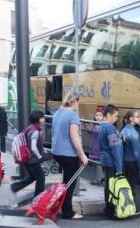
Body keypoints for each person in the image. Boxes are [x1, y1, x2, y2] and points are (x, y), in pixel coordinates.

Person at [51, 91, 88, 219]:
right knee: (70, 184)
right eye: (78, 102)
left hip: (57, 151)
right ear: (75, 101)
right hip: (68, 154)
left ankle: (57, 205)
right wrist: (82, 155)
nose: (78, 104)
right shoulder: (73, 115)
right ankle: (68, 212)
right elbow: (74, 136)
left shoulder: (58, 112)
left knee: (65, 182)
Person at [10, 110, 47, 204]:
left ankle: (14, 187)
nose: (44, 119)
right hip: (33, 160)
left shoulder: (30, 128)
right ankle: (38, 200)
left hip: (27, 158)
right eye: (42, 117)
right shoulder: (35, 131)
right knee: (41, 178)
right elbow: (34, 147)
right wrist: (40, 157)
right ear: (39, 119)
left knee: (33, 176)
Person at [98, 104, 123, 215]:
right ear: (108, 115)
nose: (116, 119)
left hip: (104, 159)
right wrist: (119, 167)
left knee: (108, 184)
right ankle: (111, 209)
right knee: (112, 186)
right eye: (116, 116)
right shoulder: (110, 128)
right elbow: (115, 148)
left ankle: (108, 208)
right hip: (111, 161)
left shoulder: (101, 126)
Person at [121, 110, 140, 206]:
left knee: (125, 186)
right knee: (131, 186)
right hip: (132, 162)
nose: (139, 118)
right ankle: (131, 207)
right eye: (137, 116)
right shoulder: (134, 133)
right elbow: (137, 152)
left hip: (124, 162)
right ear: (131, 119)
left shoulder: (123, 130)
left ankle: (124, 206)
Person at [89, 106, 105, 185]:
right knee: (97, 163)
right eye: (97, 115)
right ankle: (101, 176)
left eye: (100, 115)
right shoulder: (95, 124)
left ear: (103, 117)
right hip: (94, 147)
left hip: (98, 148)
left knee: (98, 163)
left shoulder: (101, 125)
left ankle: (99, 179)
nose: (98, 117)